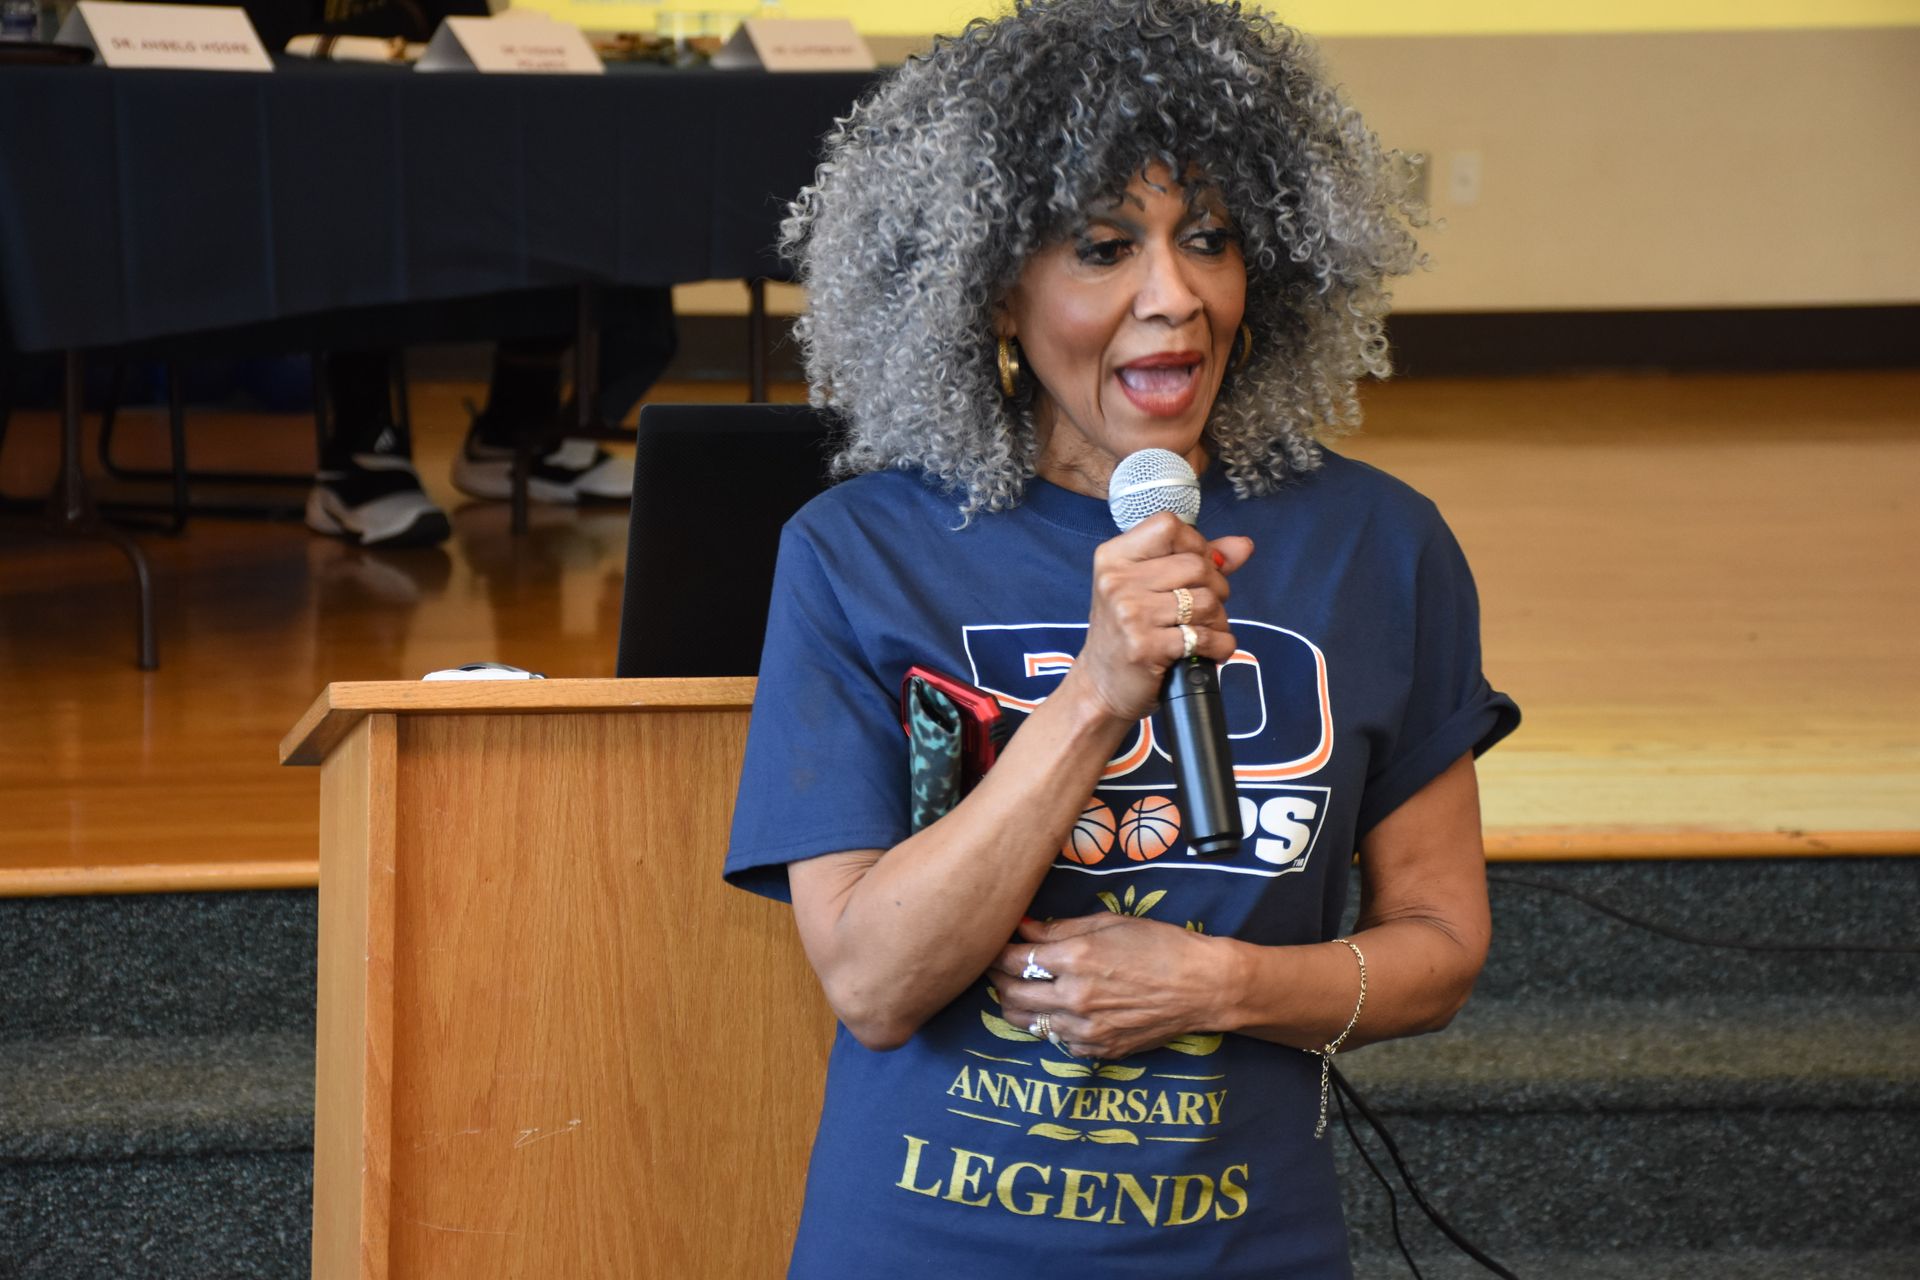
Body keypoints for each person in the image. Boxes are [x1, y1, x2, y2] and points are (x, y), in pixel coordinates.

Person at [725, 1, 1519, 1274]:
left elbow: (1439, 948)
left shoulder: (1379, 546)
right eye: (1103, 248)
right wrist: (1100, 689)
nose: (1176, 295)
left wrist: (1219, 986)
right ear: (991, 291)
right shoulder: (857, 553)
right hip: (926, 1246)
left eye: (1207, 238)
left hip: (1247, 1247)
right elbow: (872, 980)